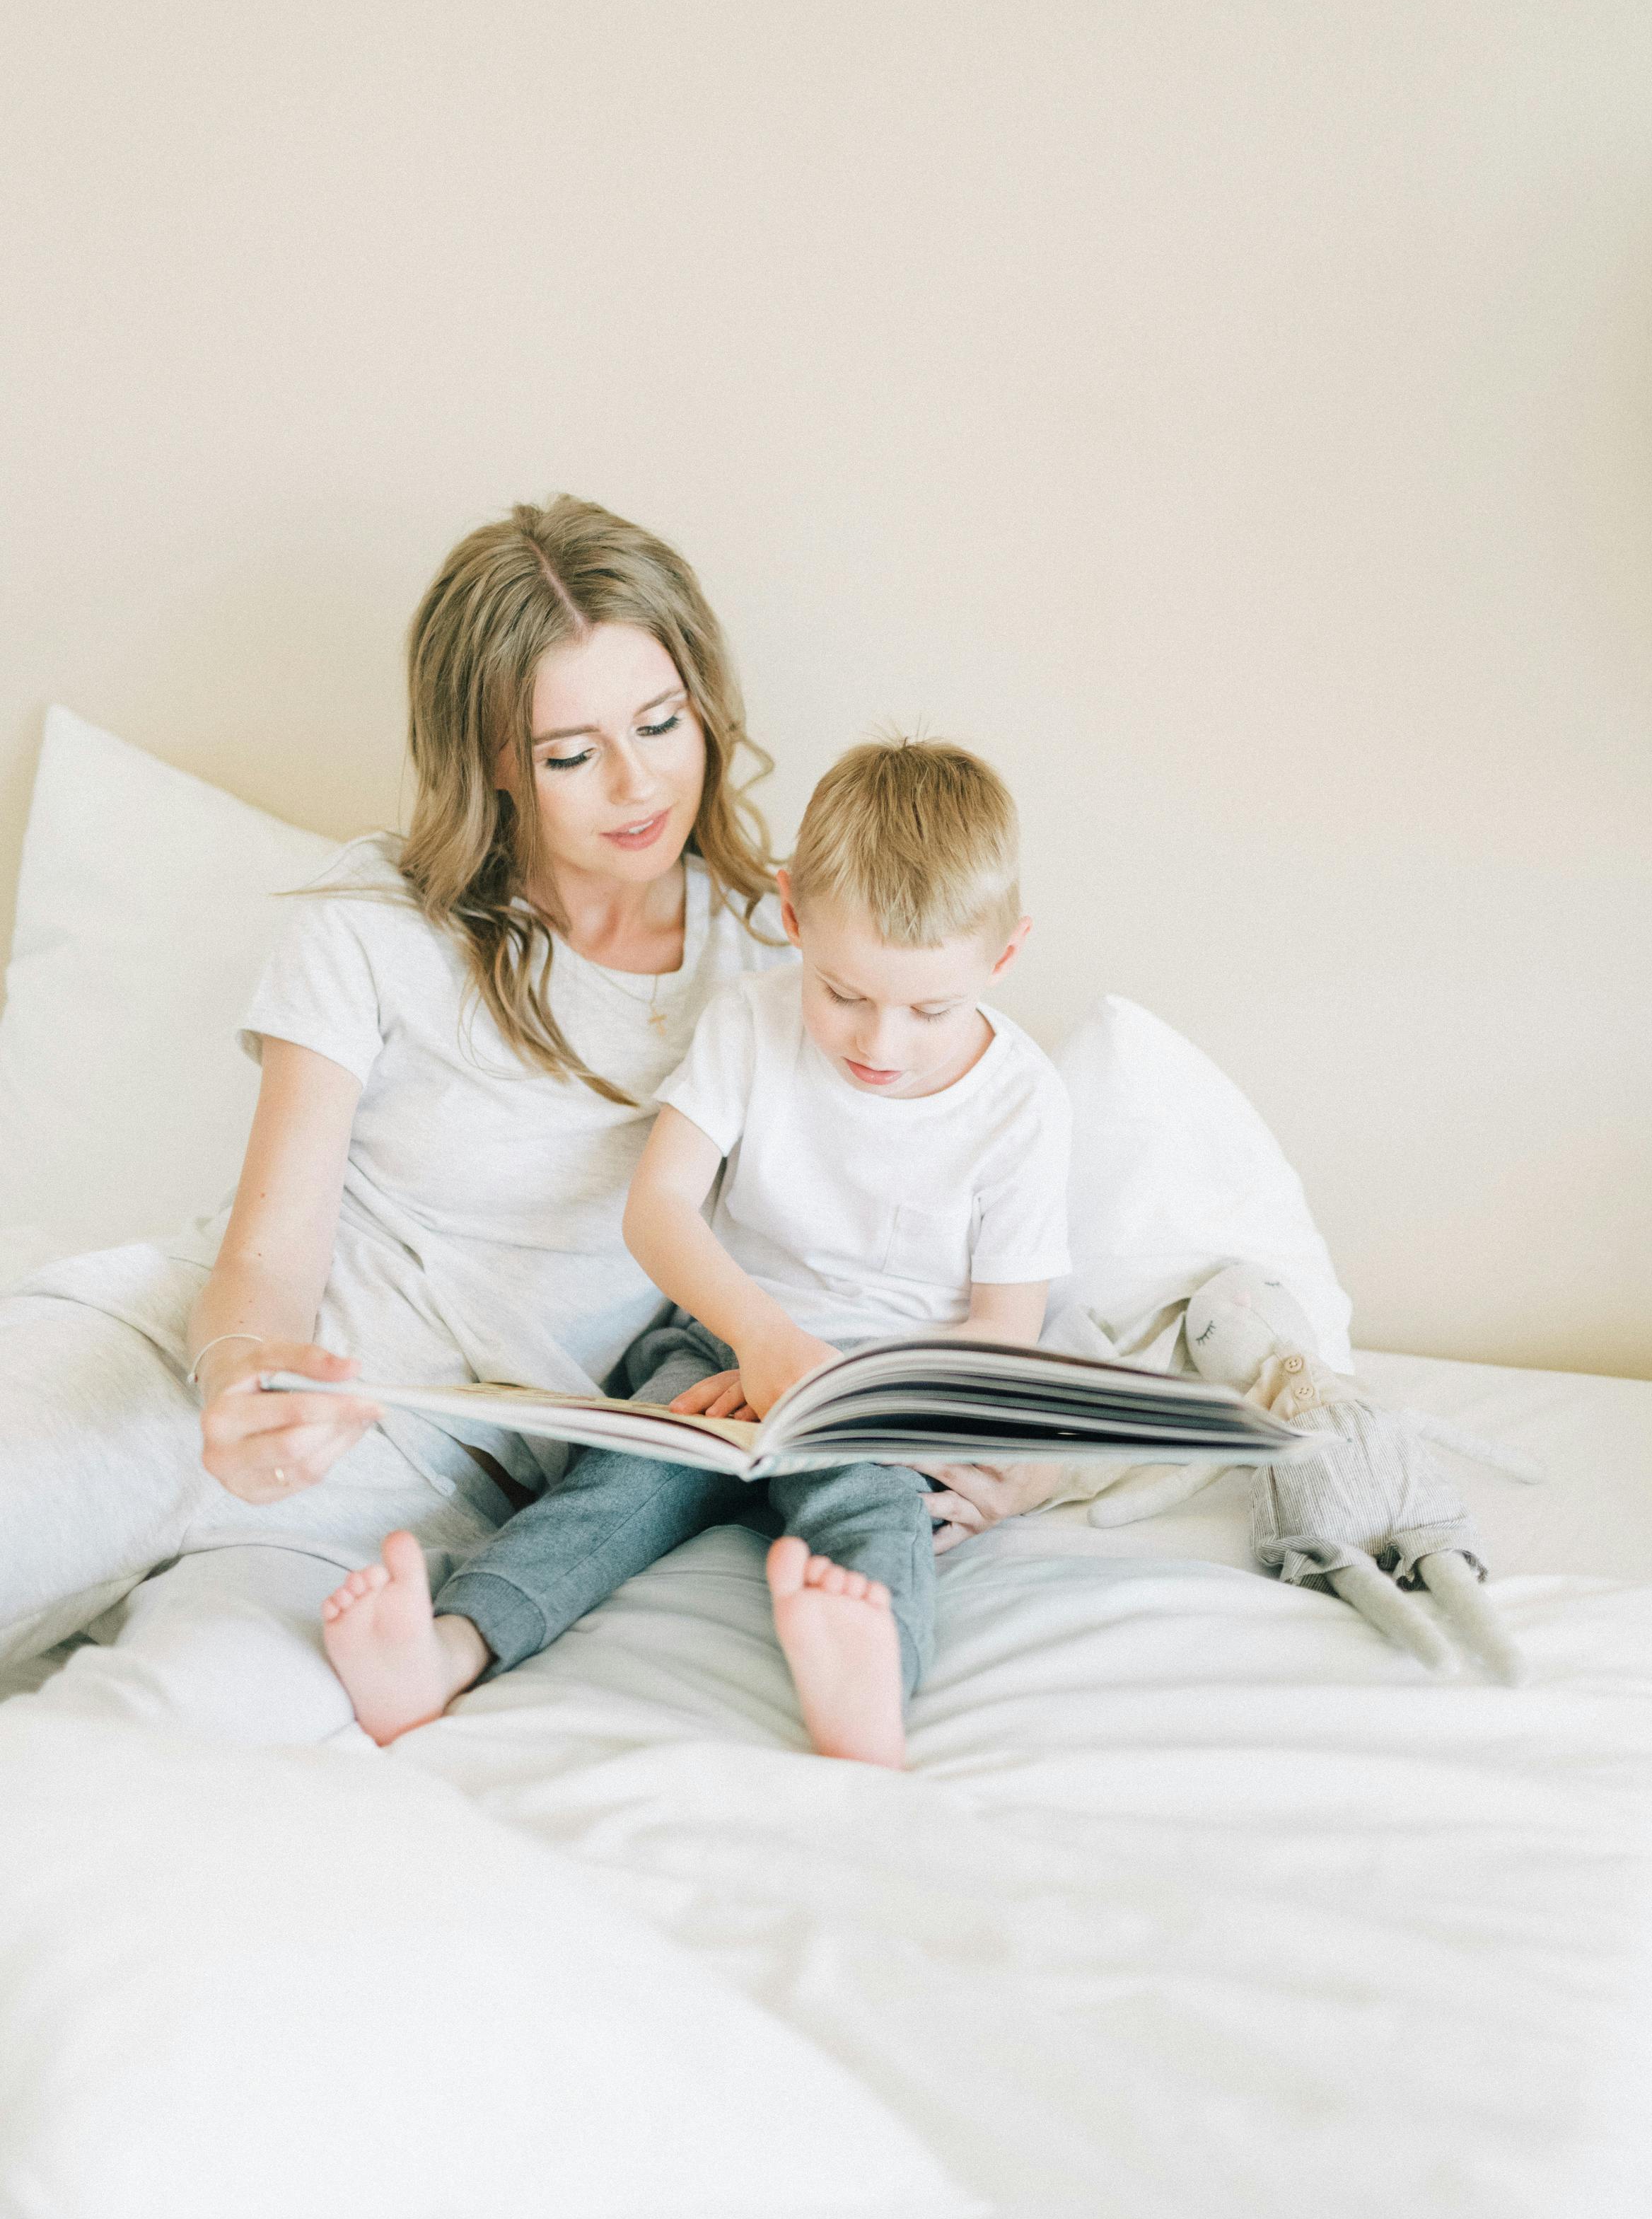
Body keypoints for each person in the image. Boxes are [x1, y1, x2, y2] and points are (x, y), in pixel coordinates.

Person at [1, 497, 1056, 1742]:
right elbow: (266, 1251)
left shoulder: (796, 976)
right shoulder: (375, 924)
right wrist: (242, 1379)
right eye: (571, 752)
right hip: (169, 1374)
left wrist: (1028, 1467)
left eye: (662, 724)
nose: (637, 783)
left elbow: (940, 1224)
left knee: (162, 1748)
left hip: (412, 1496)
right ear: (497, 759)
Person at [321, 738, 1071, 1767]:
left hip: (883, 1392)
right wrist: (761, 1343)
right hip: (726, 1350)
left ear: (1004, 958)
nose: (881, 1044)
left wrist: (844, 1391)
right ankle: (449, 1649)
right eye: (846, 993)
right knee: (616, 1488)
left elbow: (1005, 1332)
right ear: (794, 913)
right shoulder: (751, 1025)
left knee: (877, 1513)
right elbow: (659, 1209)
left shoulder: (1023, 1104)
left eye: (931, 1009)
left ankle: (867, 1686)